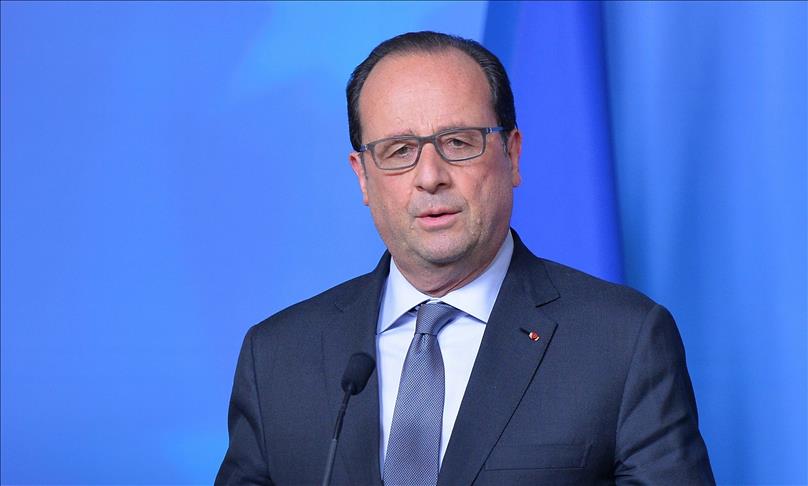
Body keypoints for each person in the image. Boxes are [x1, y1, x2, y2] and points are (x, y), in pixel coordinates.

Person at [215, 31, 714, 485]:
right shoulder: (276, 357)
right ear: (363, 176)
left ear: (512, 155)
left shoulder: (622, 342)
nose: (430, 176)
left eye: (458, 142)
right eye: (399, 150)